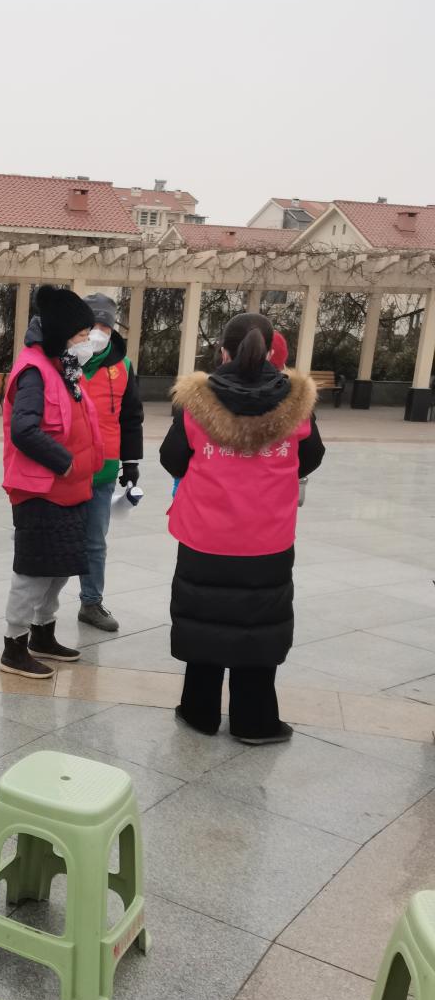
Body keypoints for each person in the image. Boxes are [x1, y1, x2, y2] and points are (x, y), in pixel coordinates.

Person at [160, 311, 325, 744]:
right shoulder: (296, 401)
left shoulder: (196, 401)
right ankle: (255, 721)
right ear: (270, 352)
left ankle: (199, 712)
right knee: (259, 627)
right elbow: (312, 456)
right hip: (267, 538)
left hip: (205, 535)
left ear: (223, 351)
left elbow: (172, 457)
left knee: (203, 620)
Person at [0, 287, 104, 679]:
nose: (87, 341)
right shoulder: (34, 372)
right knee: (33, 572)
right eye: (81, 334)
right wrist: (65, 463)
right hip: (41, 491)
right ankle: (14, 646)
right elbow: (23, 431)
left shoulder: (65, 368)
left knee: (59, 569)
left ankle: (43, 633)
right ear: (62, 335)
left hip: (71, 490)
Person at [25, 293, 144, 632]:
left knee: (94, 541)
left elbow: (131, 418)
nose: (97, 333)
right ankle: (38, 612)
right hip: (65, 469)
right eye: (93, 325)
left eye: (105, 326)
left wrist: (131, 463)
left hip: (103, 470)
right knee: (54, 541)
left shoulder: (123, 366)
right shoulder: (61, 362)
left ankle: (91, 602)